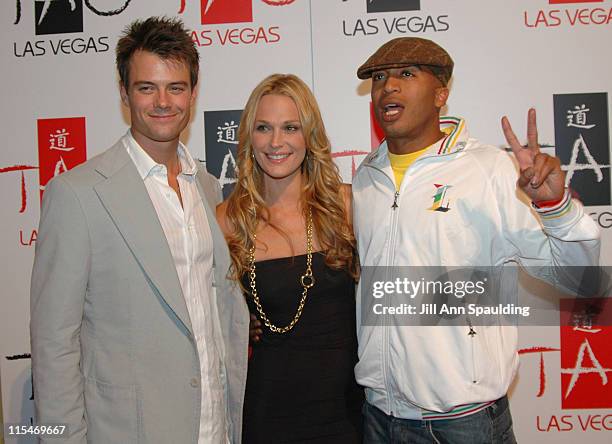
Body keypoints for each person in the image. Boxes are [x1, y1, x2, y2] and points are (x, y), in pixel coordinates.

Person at [352, 37, 600, 443]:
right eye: (379, 78)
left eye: (406, 74)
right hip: (379, 416)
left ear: (441, 94)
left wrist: (555, 206)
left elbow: (580, 280)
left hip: (462, 425)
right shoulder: (366, 177)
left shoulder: (490, 170)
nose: (387, 87)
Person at [30, 17, 248, 443]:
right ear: (125, 92)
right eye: (147, 87)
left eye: (176, 87)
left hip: (215, 426)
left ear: (193, 92)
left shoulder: (205, 184)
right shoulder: (78, 194)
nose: (163, 102)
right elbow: (55, 343)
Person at [216, 74, 363, 443]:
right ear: (249, 137)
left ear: (309, 136)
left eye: (291, 127)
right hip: (267, 414)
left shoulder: (346, 206)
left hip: (348, 412)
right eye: (264, 127)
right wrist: (235, 320)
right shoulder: (228, 220)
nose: (276, 142)